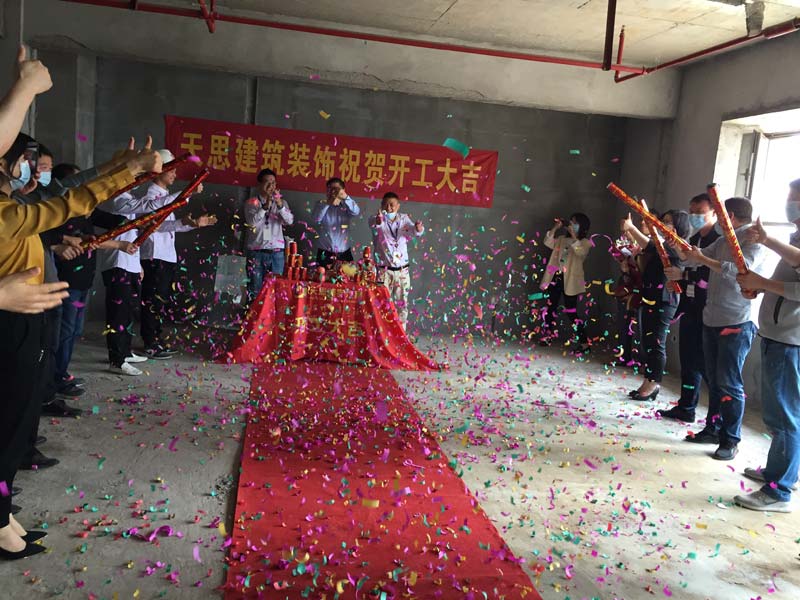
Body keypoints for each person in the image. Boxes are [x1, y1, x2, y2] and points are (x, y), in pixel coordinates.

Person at [0, 134, 160, 559]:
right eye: (26, 161)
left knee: (17, 421)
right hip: (11, 322)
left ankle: (2, 512)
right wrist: (129, 171)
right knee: (8, 423)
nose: (33, 171)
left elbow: (65, 190)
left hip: (27, 317)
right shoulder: (7, 212)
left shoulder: (15, 204)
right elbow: (69, 202)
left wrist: (116, 166)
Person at [676, 197, 766, 460]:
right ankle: (712, 429)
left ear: (731, 216)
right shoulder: (724, 241)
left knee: (729, 384)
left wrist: (703, 259)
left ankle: (730, 439)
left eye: (720, 213)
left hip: (736, 321)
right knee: (715, 382)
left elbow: (739, 271)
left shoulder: (752, 240)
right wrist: (680, 248)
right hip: (712, 318)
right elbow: (695, 259)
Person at [733, 180, 800, 511]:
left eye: (794, 200)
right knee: (779, 414)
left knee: (784, 417)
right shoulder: (795, 238)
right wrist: (761, 288)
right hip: (777, 334)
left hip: (790, 340)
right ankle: (779, 473)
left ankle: (779, 492)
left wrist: (763, 281)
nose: (790, 205)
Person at [137, 151, 213, 359]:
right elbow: (155, 226)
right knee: (153, 301)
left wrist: (191, 224)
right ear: (158, 171)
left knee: (160, 302)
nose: (174, 175)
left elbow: (169, 227)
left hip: (166, 256)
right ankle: (150, 342)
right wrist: (188, 193)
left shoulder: (164, 197)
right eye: (171, 170)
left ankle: (156, 339)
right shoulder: (151, 197)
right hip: (154, 256)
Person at [657, 193, 720, 423]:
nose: (694, 216)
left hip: (709, 310)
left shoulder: (718, 241)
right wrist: (680, 277)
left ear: (714, 212)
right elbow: (689, 265)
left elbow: (710, 274)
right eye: (691, 211)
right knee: (688, 361)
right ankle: (686, 406)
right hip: (691, 307)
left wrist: (683, 275)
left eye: (699, 212)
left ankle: (716, 419)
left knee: (706, 365)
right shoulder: (695, 239)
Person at [621, 209, 690, 401]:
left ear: (677, 227)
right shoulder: (665, 244)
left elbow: (650, 245)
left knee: (656, 342)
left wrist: (632, 228)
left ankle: (653, 382)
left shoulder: (678, 246)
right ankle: (648, 380)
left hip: (665, 299)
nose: (662, 224)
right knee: (648, 341)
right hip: (651, 296)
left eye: (667, 222)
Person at [368, 192, 424, 330]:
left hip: (402, 271)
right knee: (380, 304)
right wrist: (379, 221)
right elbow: (375, 224)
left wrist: (419, 229)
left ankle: (401, 335)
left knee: (402, 305)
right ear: (381, 205)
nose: (389, 208)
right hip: (383, 271)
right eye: (385, 205)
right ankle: (382, 334)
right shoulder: (374, 218)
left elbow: (414, 231)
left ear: (398, 206)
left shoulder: (404, 219)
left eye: (392, 205)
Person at [539, 213, 592, 353]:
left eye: (575, 223)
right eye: (571, 222)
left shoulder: (585, 242)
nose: (572, 225)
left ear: (582, 226)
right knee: (550, 308)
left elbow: (580, 252)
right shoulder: (562, 239)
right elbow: (548, 242)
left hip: (571, 281)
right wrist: (556, 227)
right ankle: (547, 336)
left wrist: (574, 236)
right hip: (556, 277)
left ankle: (584, 343)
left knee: (571, 311)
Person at [243, 168, 294, 302]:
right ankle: (252, 315)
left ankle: (271, 316)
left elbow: (289, 221)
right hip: (256, 253)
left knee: (276, 290)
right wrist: (265, 206)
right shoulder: (251, 202)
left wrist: (279, 205)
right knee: (255, 290)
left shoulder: (282, 203)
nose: (271, 186)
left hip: (276, 254)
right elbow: (252, 222)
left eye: (273, 183)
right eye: (267, 182)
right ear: (259, 184)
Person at [312, 177, 360, 268]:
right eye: (330, 189)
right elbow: (316, 219)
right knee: (321, 276)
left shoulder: (347, 206)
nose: (333, 192)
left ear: (343, 190)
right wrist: (328, 203)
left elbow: (356, 212)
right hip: (325, 253)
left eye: (336, 189)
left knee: (347, 276)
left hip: (344, 253)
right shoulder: (321, 204)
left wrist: (345, 197)